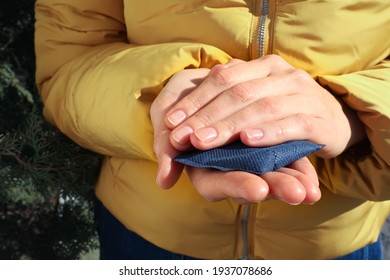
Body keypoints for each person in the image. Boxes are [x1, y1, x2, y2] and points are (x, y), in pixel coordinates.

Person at [34, 0, 390, 259]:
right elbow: (66, 66)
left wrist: (350, 115)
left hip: (335, 246)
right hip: (149, 238)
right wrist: (161, 103)